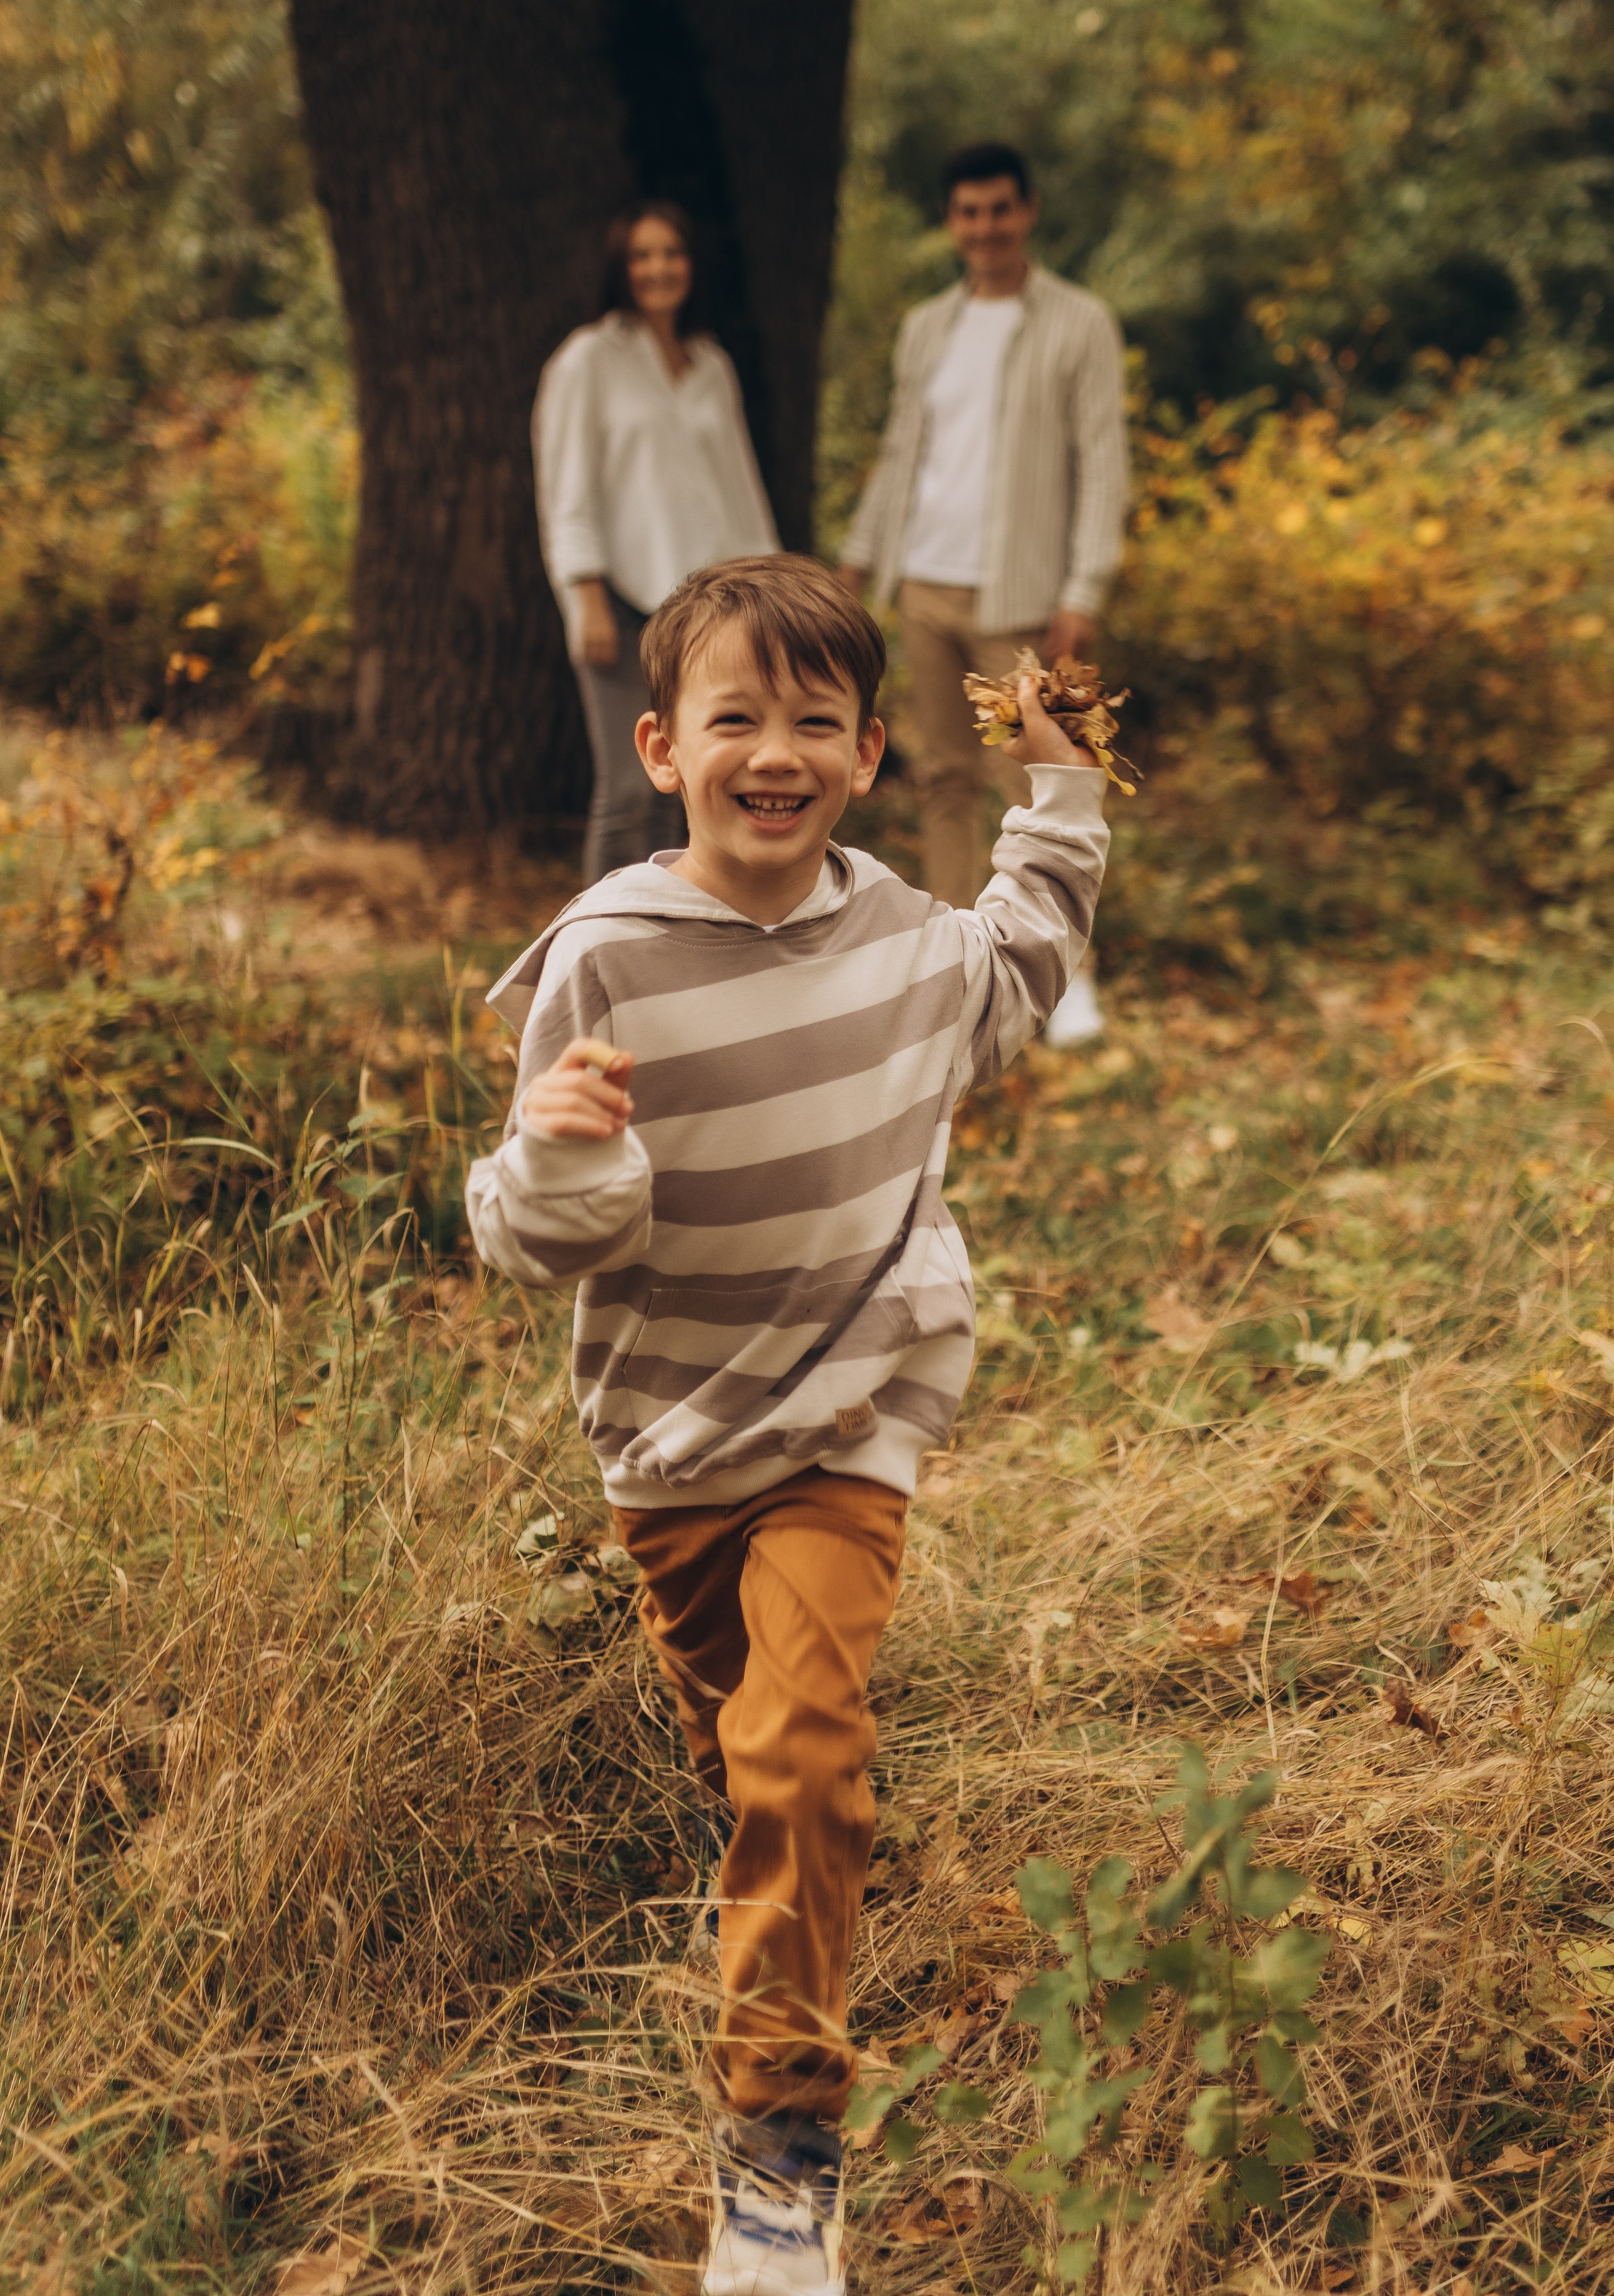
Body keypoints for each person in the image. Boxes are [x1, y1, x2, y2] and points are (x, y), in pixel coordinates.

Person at [464, 555, 1108, 2296]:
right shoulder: (604, 956)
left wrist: (1055, 779)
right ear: (662, 747)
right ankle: (776, 1855)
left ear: (867, 752)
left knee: (804, 1743)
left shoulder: (900, 938)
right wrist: (563, 1154)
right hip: (670, 1434)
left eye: (814, 721)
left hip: (850, 1405)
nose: (775, 751)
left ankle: (777, 2145)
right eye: (735, 717)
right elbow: (529, 1235)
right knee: (739, 1745)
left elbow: (1027, 953)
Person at [838, 139, 1128, 1046]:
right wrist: (858, 559)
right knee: (944, 780)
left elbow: (1103, 464)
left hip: (1022, 595)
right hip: (926, 585)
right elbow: (902, 453)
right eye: (968, 212)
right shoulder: (927, 328)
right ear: (951, 222)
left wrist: (1083, 587)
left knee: (1045, 780)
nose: (985, 227)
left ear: (1026, 211)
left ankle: (1064, 975)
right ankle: (963, 966)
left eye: (1000, 209)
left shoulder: (1079, 323)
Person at [534, 200, 781, 879]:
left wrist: (771, 590)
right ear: (621, 268)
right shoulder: (589, 359)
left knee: (693, 783)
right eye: (642, 256)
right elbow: (566, 486)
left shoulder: (710, 364)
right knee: (629, 788)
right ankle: (598, 937)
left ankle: (675, 930)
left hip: (704, 611)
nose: (658, 268)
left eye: (671, 253)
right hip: (617, 601)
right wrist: (584, 595)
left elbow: (740, 489)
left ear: (692, 265)